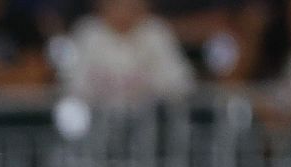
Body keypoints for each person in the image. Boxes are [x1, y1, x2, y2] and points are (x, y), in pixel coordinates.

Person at [63, 0, 196, 106]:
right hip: (97, 124)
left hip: (150, 123)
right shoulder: (88, 32)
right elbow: (72, 88)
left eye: (131, 4)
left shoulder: (156, 32)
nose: (123, 10)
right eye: (116, 3)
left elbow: (180, 85)